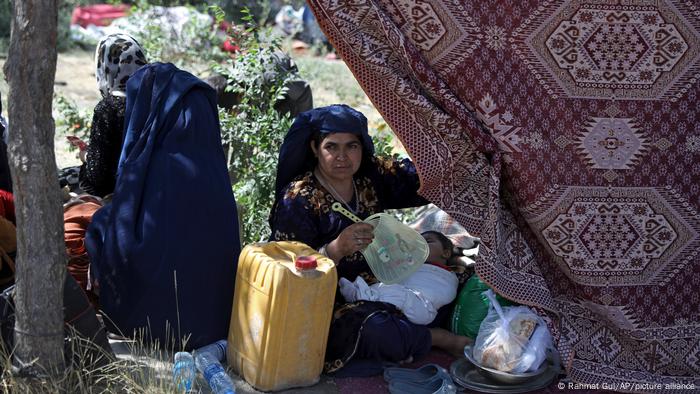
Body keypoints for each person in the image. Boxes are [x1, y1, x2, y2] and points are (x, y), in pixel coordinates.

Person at [269, 104, 471, 377]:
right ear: (315, 148)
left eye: (351, 146)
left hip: (388, 278)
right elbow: (288, 271)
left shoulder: (368, 177)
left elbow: (420, 178)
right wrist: (335, 249)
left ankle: (409, 335)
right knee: (374, 329)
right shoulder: (298, 200)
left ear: (362, 148)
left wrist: (464, 153)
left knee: (456, 278)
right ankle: (436, 338)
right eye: (332, 147)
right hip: (336, 302)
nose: (342, 157)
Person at [85, 62, 241, 350]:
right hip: (215, 322)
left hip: (150, 325)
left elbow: (123, 225)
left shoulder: (148, 159)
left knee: (97, 225)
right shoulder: (212, 162)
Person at [338, 230, 459, 325]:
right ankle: (363, 294)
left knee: (396, 292)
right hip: (401, 300)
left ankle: (361, 296)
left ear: (446, 253)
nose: (420, 245)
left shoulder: (447, 276)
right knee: (385, 287)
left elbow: (445, 293)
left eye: (427, 241)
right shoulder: (411, 266)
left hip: (423, 308)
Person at [78, 33, 148, 197]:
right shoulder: (155, 98)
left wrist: (86, 157)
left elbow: (98, 179)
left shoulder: (108, 109)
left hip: (121, 195)